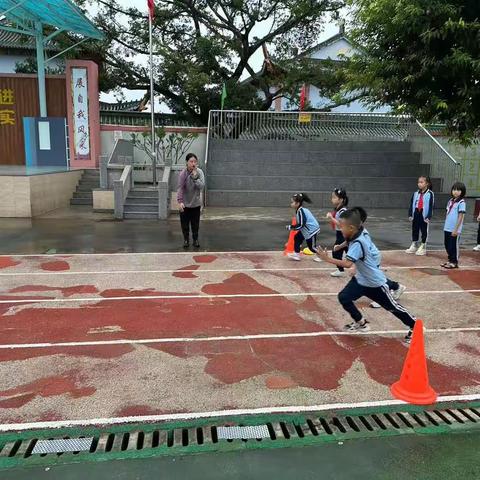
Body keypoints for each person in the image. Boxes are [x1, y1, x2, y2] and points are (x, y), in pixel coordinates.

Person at [316, 208, 416, 344]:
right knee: (344, 297)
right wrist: (340, 246)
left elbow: (347, 264)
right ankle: (361, 323)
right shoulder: (355, 233)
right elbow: (348, 237)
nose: (340, 229)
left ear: (351, 227)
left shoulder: (359, 242)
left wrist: (327, 259)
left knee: (392, 307)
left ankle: (415, 326)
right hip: (361, 280)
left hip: (375, 283)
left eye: (341, 227)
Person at [334, 206, 406, 307]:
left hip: (372, 257)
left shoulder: (362, 234)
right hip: (369, 257)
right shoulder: (355, 231)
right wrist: (339, 247)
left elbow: (361, 253)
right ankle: (396, 287)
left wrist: (354, 266)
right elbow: (348, 240)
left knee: (374, 278)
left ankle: (385, 295)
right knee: (367, 277)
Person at [177, 153, 205, 249]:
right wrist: (180, 202)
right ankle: (186, 240)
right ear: (187, 162)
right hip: (185, 204)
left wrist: (195, 178)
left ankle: (195, 239)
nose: (193, 163)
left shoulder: (200, 172)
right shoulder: (183, 174)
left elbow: (201, 186)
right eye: (191, 161)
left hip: (195, 203)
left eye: (195, 162)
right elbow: (180, 188)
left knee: (195, 224)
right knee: (184, 224)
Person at [286, 193, 321, 262]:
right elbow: (301, 224)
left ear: (298, 203)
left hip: (312, 230)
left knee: (312, 247)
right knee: (297, 237)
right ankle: (297, 255)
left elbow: (301, 224)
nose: (291, 204)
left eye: (292, 202)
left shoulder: (301, 211)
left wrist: (291, 227)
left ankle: (322, 256)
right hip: (306, 229)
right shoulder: (299, 210)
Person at [405, 176, 434, 256]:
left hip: (424, 214)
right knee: (415, 228)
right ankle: (414, 244)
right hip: (416, 212)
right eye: (418, 182)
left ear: (427, 183)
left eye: (421, 182)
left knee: (424, 230)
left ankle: (423, 246)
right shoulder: (416, 193)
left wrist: (428, 216)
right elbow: (412, 204)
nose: (419, 184)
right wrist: (410, 214)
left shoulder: (430, 194)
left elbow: (431, 206)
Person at [442, 182, 467, 269]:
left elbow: (460, 216)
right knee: (447, 244)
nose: (455, 191)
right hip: (447, 227)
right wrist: (445, 225)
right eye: (454, 189)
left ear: (462, 191)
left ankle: (454, 262)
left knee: (453, 246)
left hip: (455, 229)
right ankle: (450, 260)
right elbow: (447, 213)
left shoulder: (461, 202)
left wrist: (456, 229)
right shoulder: (450, 201)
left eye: (458, 190)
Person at [326, 188, 349, 277]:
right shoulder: (339, 209)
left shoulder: (343, 210)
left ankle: (341, 270)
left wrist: (331, 218)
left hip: (343, 234)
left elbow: (341, 225)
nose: (332, 199)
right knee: (350, 252)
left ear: (341, 199)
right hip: (341, 234)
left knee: (336, 252)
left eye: (334, 197)